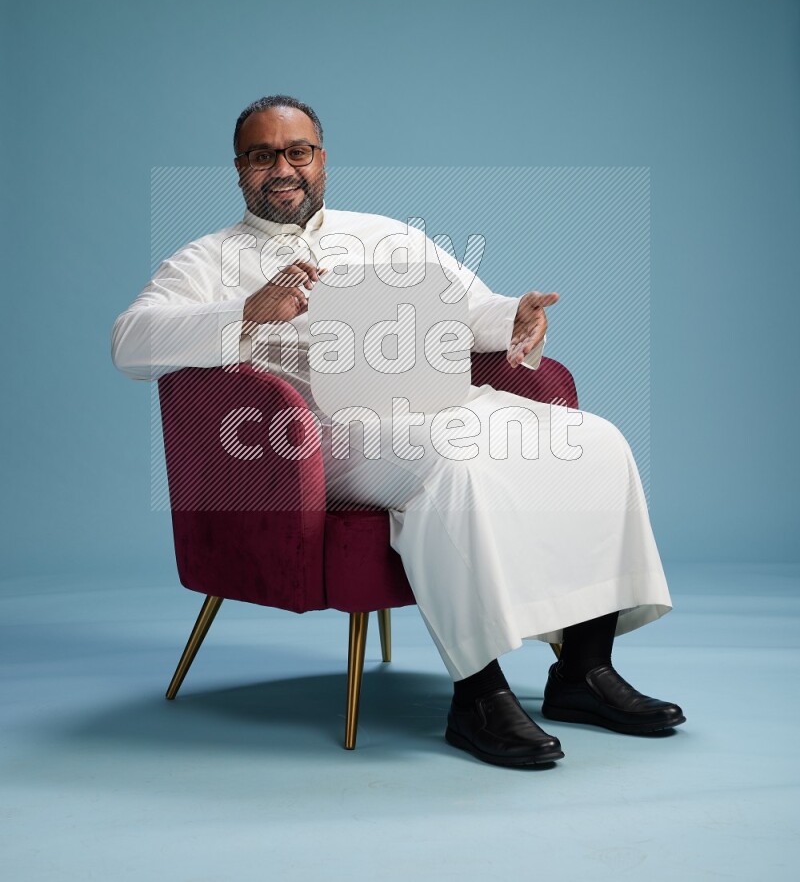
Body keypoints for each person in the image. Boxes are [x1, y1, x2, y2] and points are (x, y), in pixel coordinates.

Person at [112, 94, 685, 768]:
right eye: (262, 154)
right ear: (239, 168)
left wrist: (516, 318)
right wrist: (246, 312)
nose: (283, 167)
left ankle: (584, 671)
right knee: (454, 466)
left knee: (594, 442)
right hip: (322, 434)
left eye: (298, 151)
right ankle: (478, 694)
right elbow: (130, 342)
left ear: (322, 159)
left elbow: (474, 309)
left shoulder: (386, 234)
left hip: (442, 400)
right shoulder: (205, 260)